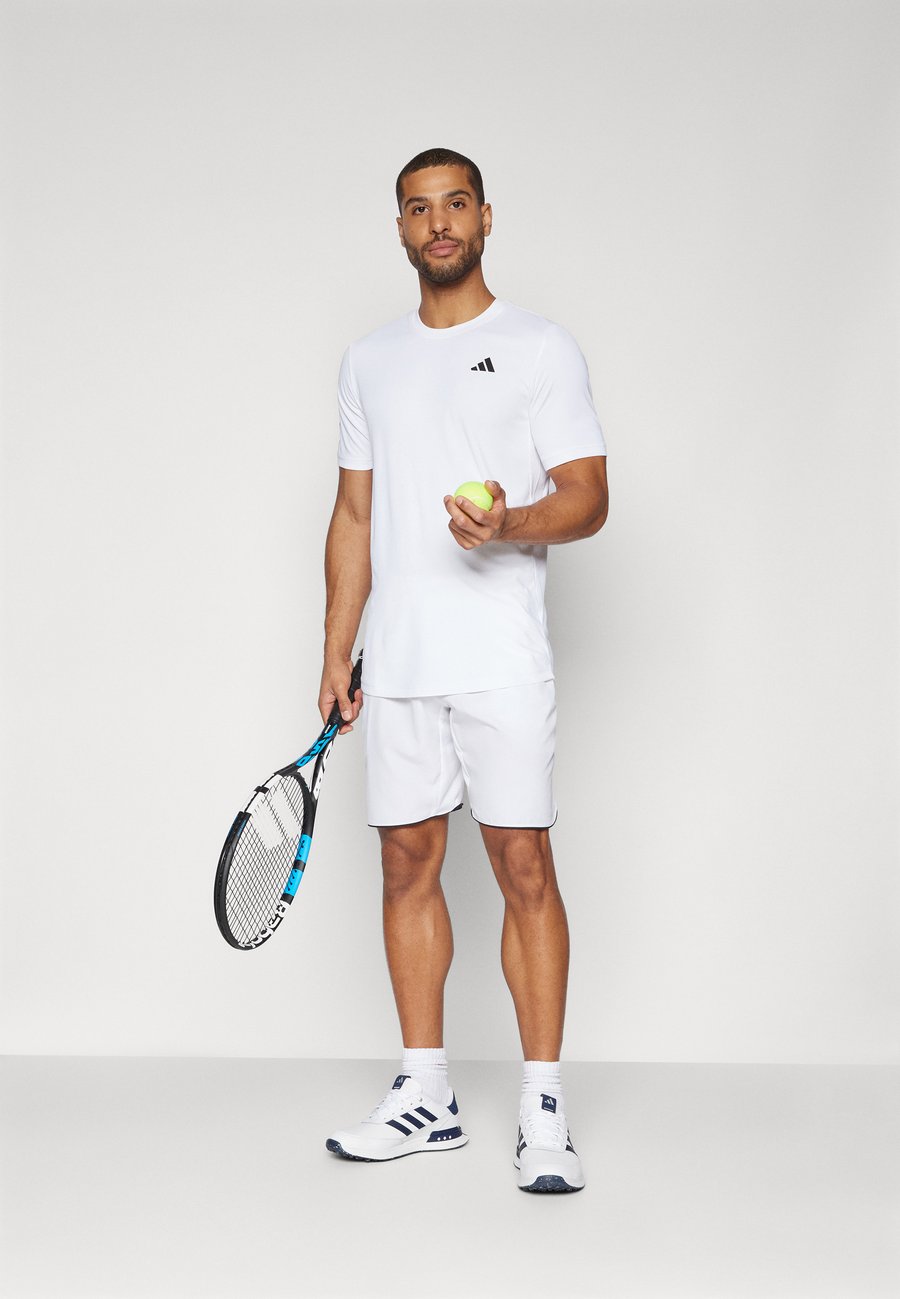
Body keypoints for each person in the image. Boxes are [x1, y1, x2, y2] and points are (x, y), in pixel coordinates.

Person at [319, 147, 608, 1193]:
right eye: (417, 208)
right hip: (398, 660)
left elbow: (589, 494)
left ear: (486, 218)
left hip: (500, 658)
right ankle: (427, 1093)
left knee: (523, 865)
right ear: (400, 228)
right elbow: (355, 513)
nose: (437, 223)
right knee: (405, 864)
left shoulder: (538, 347)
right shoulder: (368, 360)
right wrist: (335, 647)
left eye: (454, 205)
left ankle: (543, 1108)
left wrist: (509, 523)